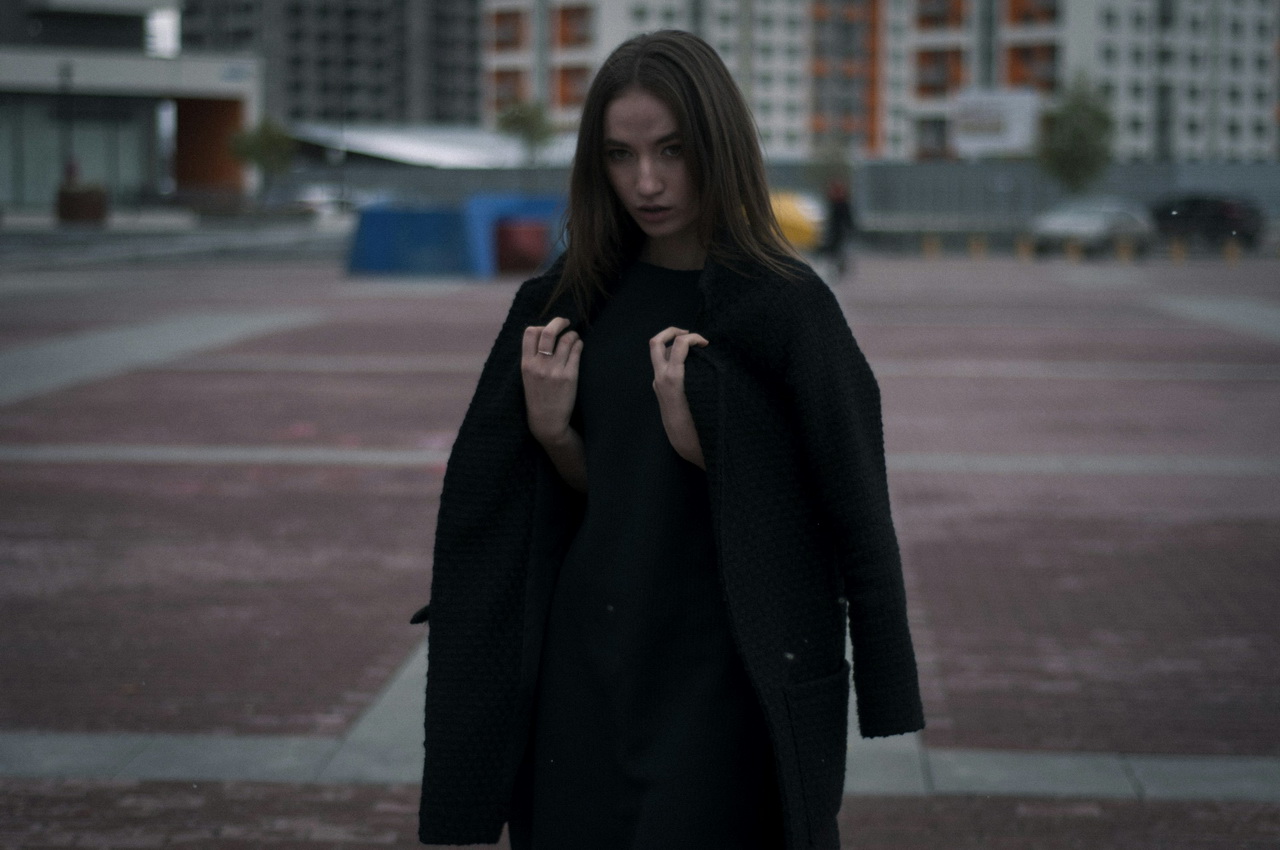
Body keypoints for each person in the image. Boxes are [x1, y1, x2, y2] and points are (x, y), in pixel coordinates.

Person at [413, 30, 923, 850]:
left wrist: (719, 452)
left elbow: (855, 512)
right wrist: (554, 437)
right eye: (620, 154)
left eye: (672, 150)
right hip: (584, 670)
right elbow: (595, 496)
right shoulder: (566, 301)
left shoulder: (787, 308)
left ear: (719, 146)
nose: (646, 182)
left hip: (726, 679)